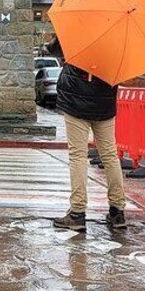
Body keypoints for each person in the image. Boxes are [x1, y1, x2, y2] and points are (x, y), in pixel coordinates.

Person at [49, 38, 127, 232]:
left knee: (78, 156)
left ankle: (77, 212)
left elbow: (53, 48)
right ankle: (117, 211)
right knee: (110, 155)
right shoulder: (121, 36)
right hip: (105, 101)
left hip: (76, 99)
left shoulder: (80, 26)